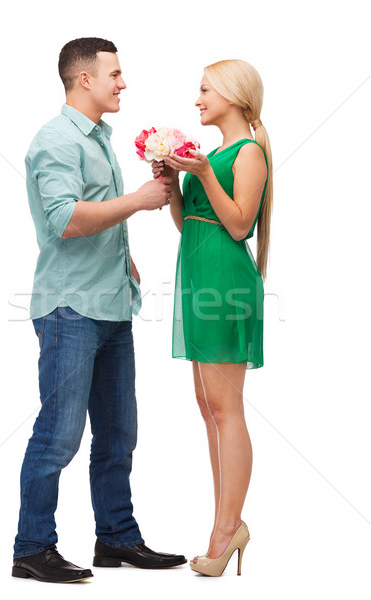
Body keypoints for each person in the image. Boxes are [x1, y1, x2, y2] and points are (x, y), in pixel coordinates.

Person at [12, 37, 186, 584]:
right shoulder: (56, 140)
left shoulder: (99, 138)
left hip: (110, 305)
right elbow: (64, 218)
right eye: (114, 73)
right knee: (59, 435)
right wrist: (136, 201)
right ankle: (31, 548)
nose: (123, 82)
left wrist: (124, 256)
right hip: (70, 308)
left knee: (118, 434)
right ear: (82, 79)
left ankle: (116, 538)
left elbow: (92, 213)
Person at [153, 58, 273, 577]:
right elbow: (191, 224)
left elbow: (240, 224)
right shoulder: (217, 154)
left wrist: (203, 171)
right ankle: (225, 524)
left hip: (225, 283)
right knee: (208, 406)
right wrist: (174, 182)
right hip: (198, 277)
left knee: (227, 409)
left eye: (205, 90)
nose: (197, 99)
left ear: (232, 94)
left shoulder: (246, 153)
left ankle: (227, 530)